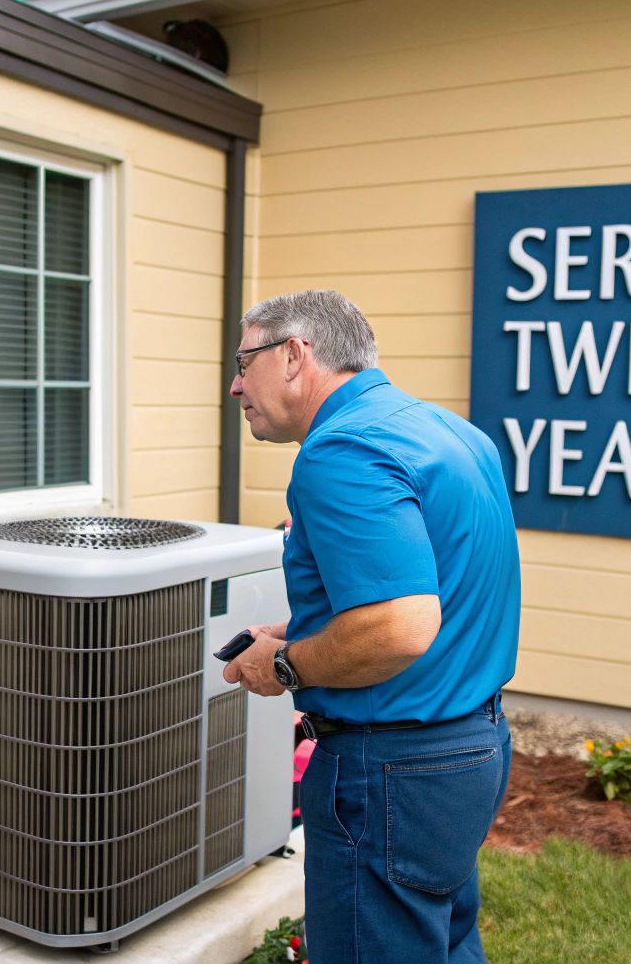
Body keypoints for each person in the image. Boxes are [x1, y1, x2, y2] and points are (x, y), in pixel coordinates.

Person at [223, 290, 521, 964]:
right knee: (443, 944)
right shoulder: (449, 431)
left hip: (390, 772)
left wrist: (286, 665)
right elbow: (433, 585)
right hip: (470, 747)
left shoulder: (340, 451)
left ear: (295, 355)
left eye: (245, 361)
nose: (237, 384)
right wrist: (299, 629)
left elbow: (399, 627)